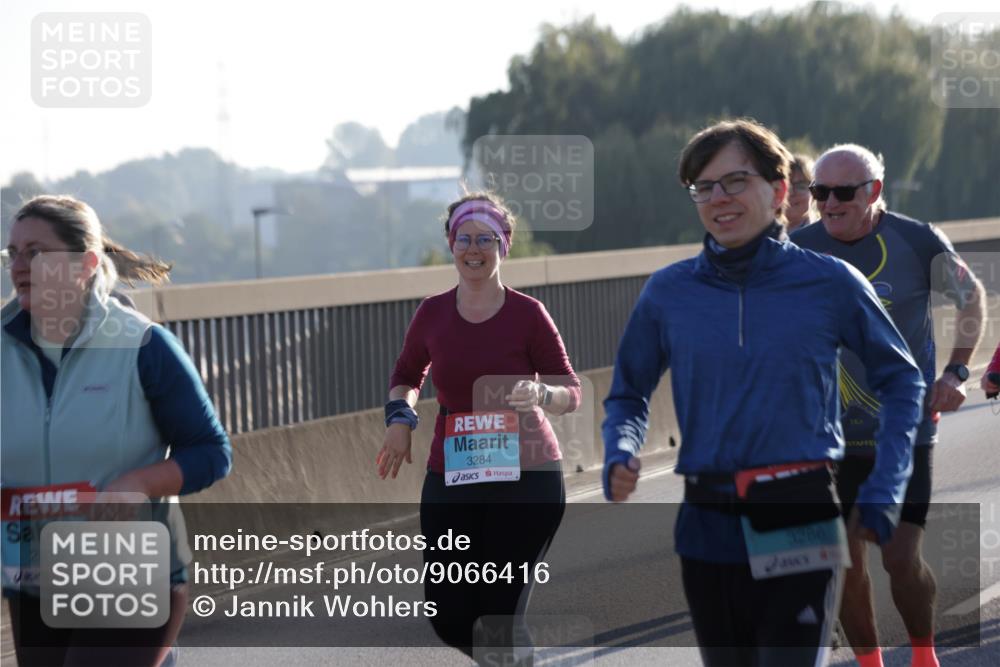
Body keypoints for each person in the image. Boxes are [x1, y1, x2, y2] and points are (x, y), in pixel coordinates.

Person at [602, 119, 925, 666]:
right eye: (704, 187)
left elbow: (902, 379)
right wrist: (621, 448)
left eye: (735, 181)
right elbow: (629, 393)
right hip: (705, 520)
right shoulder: (669, 291)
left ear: (778, 192)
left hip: (796, 508)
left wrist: (887, 482)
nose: (718, 199)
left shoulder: (831, 282)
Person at [2, 195, 232, 666]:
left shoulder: (142, 345)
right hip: (30, 574)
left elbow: (211, 452)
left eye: (36, 252)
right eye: (12, 253)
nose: (19, 266)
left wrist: (138, 485)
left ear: (85, 264)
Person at [792, 144, 985, 667]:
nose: (828, 203)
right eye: (819, 192)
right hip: (829, 435)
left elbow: (972, 299)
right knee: (846, 565)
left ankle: (924, 655)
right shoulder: (797, 248)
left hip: (906, 429)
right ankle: (870, 662)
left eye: (842, 193)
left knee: (901, 558)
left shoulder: (917, 240)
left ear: (874, 192)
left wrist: (957, 370)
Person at [376, 192, 582, 665]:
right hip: (454, 475)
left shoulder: (528, 314)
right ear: (451, 245)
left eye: (485, 239)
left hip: (527, 477)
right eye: (463, 238)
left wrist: (541, 395)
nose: (473, 248)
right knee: (448, 614)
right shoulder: (432, 313)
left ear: (503, 245)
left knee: (497, 616)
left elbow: (571, 390)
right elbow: (406, 376)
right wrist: (400, 419)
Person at [786, 153, 817, 233]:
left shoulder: (825, 235)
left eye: (800, 186)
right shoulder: (756, 234)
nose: (791, 192)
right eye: (786, 185)